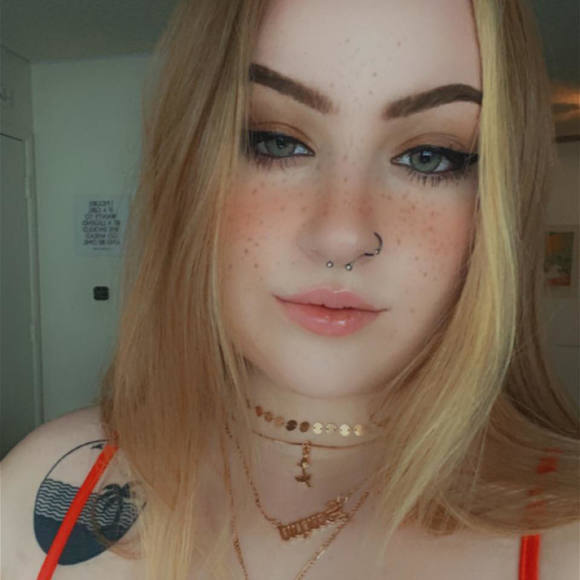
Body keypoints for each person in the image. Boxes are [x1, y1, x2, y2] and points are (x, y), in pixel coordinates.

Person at [2, 0, 579, 578]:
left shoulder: (565, 540)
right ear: (189, 170)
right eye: (276, 141)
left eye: (430, 157)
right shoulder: (48, 487)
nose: (342, 235)